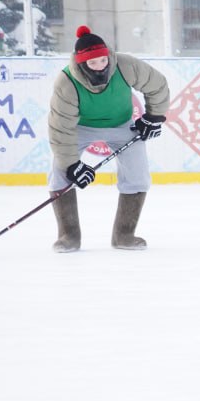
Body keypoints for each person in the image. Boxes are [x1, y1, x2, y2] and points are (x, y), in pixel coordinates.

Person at [47, 25, 169, 252]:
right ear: (81, 64)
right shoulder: (66, 82)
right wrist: (72, 165)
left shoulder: (125, 64)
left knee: (138, 176)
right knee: (59, 174)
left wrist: (153, 117)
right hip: (80, 127)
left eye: (103, 60)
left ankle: (124, 235)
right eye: (93, 63)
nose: (100, 66)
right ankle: (68, 235)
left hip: (122, 125)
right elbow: (61, 128)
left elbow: (157, 85)